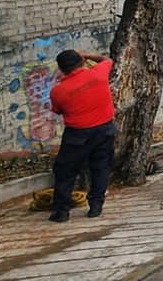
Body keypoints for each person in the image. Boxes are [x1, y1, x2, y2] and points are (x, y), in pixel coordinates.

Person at [48, 49, 117, 222]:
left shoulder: (59, 91)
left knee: (65, 170)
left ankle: (61, 211)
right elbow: (106, 59)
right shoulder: (99, 73)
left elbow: (58, 110)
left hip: (77, 135)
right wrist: (87, 55)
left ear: (61, 69)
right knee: (100, 167)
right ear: (82, 62)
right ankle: (95, 206)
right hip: (105, 129)